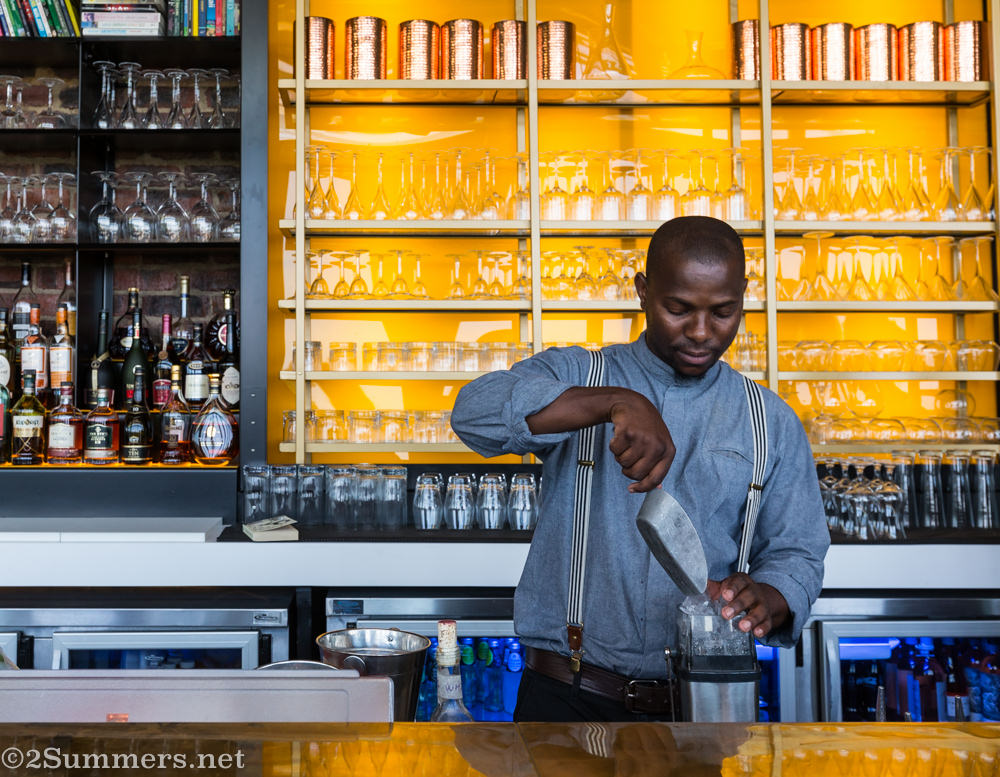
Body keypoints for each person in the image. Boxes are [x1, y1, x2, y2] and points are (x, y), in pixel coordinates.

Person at [450, 216, 829, 722]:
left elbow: (797, 550)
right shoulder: (583, 375)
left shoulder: (769, 421)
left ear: (743, 296)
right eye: (678, 309)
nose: (700, 332)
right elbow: (473, 413)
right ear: (643, 292)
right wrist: (614, 401)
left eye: (723, 312)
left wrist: (770, 597)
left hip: (705, 707)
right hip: (567, 700)